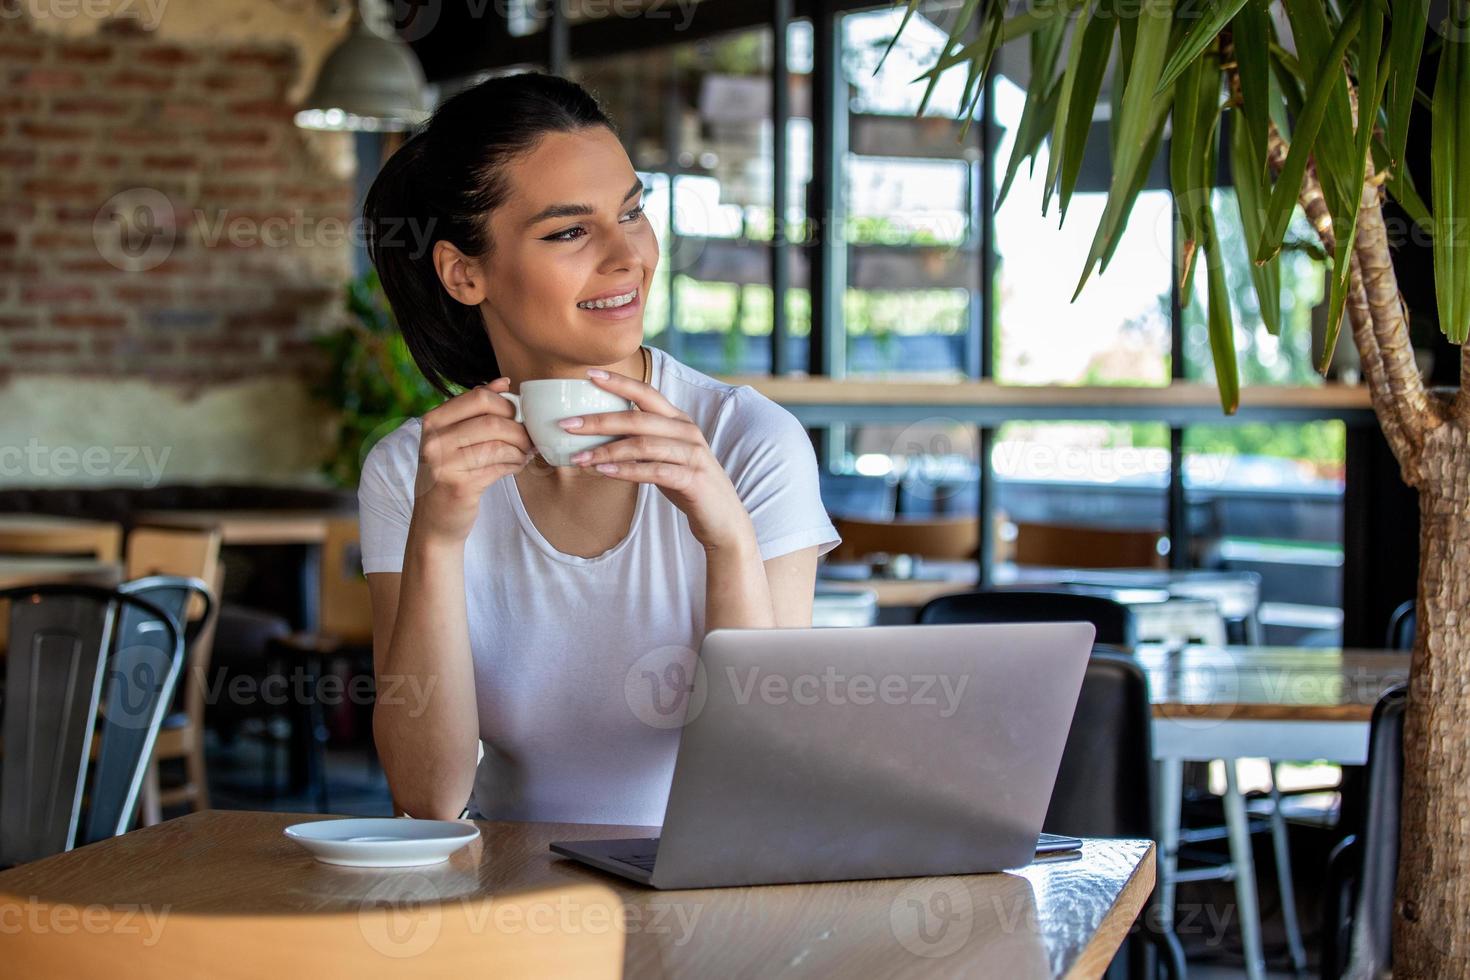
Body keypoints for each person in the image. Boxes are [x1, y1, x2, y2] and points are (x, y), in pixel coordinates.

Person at [357, 72, 841, 823]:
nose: (629, 257)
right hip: (505, 901)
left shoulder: (749, 441)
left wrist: (726, 537)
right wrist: (437, 542)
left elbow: (768, 781)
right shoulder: (412, 471)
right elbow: (427, 797)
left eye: (633, 211)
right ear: (464, 272)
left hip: (709, 895)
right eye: (569, 231)